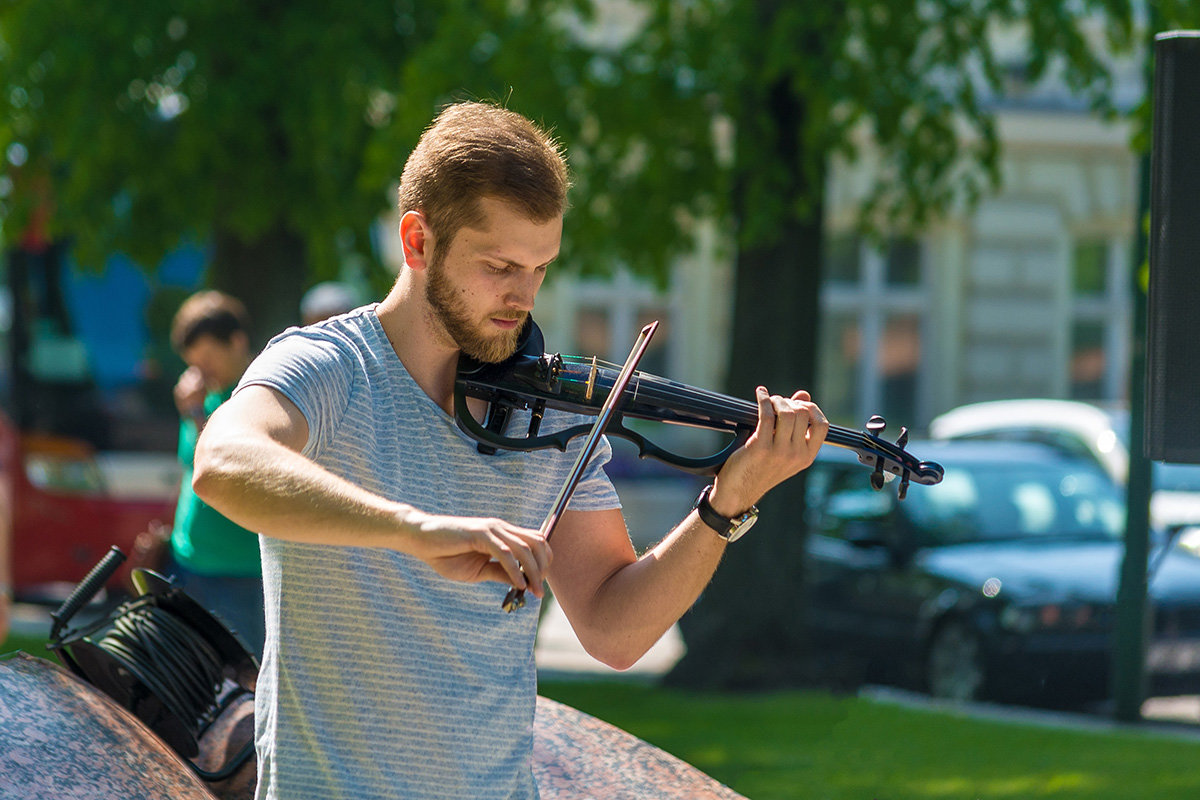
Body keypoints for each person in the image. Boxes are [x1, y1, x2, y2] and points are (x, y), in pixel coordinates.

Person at [192, 101, 829, 800]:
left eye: (540, 268)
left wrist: (726, 503)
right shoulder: (329, 367)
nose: (522, 296)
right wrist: (415, 530)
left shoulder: (544, 411)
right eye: (499, 265)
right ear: (418, 241)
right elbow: (224, 466)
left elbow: (616, 631)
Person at [168, 290, 265, 658]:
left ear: (237, 342)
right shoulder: (204, 395)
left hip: (239, 572)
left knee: (243, 685)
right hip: (190, 565)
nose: (199, 372)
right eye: (192, 363)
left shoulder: (259, 395)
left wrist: (193, 413)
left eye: (207, 359)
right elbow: (190, 466)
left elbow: (227, 466)